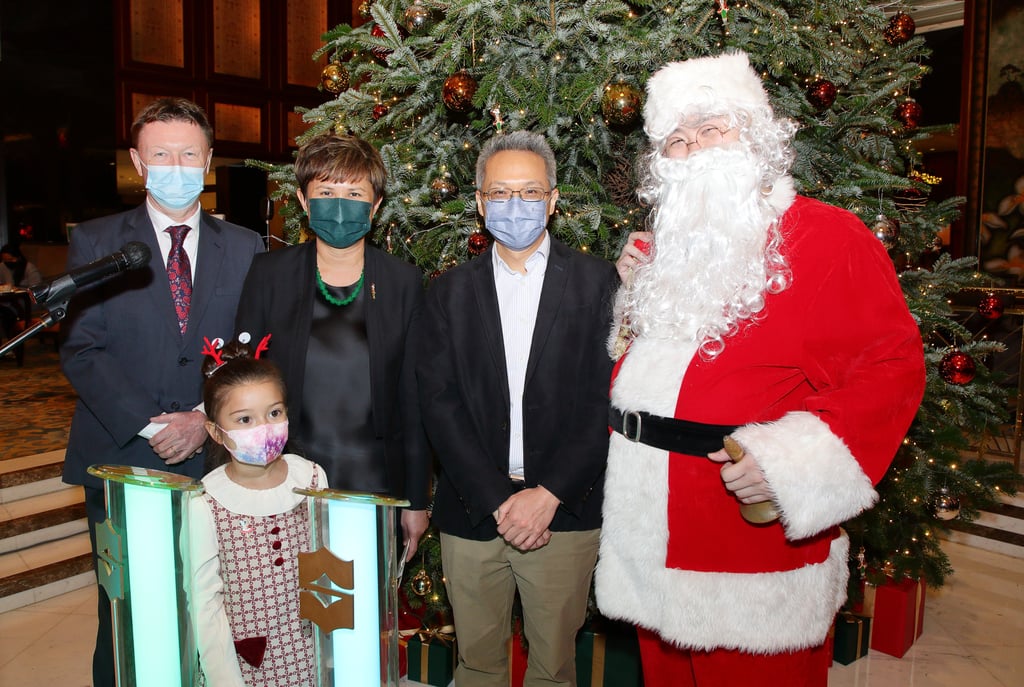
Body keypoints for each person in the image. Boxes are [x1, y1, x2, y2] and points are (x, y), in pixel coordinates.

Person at [595, 51, 926, 687]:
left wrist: (787, 465)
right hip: (648, 541)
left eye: (711, 129)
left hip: (749, 551)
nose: (695, 152)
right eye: (678, 142)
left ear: (756, 135)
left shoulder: (827, 237)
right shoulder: (669, 252)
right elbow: (650, 377)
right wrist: (630, 303)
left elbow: (891, 368)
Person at [60, 97, 265, 687]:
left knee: (214, 604)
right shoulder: (97, 242)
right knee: (127, 610)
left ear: (207, 161)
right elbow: (81, 347)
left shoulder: (246, 246)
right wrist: (154, 425)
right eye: (160, 154)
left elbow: (253, 349)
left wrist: (203, 417)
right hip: (121, 453)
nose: (175, 166)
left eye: (188, 154)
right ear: (137, 161)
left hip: (217, 454)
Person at [417, 130, 618, 687]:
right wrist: (497, 499)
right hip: (472, 508)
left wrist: (548, 494)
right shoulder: (449, 292)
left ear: (553, 200)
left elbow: (606, 399)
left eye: (530, 192)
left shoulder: (601, 283)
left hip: (564, 512)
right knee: (477, 664)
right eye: (500, 193)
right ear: (480, 203)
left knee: (554, 667)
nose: (515, 206)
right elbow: (439, 402)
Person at [234, 133, 430, 560]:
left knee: (364, 617)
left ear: (375, 206)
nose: (339, 204)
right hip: (285, 480)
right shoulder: (269, 274)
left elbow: (414, 402)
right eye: (326, 191)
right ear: (304, 202)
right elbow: (240, 383)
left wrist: (416, 501)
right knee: (289, 615)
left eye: (354, 193)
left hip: (374, 483)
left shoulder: (403, 283)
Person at [190, 336, 327, 686]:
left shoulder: (310, 477)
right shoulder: (206, 501)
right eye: (244, 419)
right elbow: (205, 604)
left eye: (274, 413)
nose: (264, 428)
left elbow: (329, 568)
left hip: (311, 654)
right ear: (215, 432)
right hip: (248, 664)